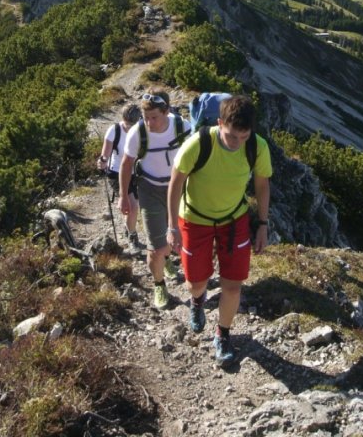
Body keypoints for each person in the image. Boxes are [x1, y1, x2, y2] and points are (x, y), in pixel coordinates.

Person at [167, 95, 272, 367]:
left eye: (243, 137)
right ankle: (197, 300)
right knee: (196, 282)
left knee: (233, 285)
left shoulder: (257, 147)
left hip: (233, 219)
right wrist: (172, 226)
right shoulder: (198, 144)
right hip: (195, 219)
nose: (237, 143)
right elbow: (175, 183)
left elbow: (262, 186)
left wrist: (262, 224)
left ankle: (223, 334)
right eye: (231, 136)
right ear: (219, 123)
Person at [119, 89, 190, 309]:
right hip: (150, 190)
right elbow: (126, 164)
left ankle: (168, 261)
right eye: (145, 117)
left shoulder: (183, 128)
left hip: (180, 189)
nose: (149, 122)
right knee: (156, 248)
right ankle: (159, 284)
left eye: (154, 117)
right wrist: (123, 196)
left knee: (179, 240)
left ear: (166, 111)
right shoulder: (137, 133)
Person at [97, 103, 142, 253]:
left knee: (134, 206)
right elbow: (105, 153)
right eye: (127, 123)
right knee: (133, 206)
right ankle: (132, 236)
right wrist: (102, 161)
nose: (129, 127)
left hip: (136, 172)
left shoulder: (143, 130)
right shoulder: (114, 130)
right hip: (117, 173)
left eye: (132, 124)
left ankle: (128, 228)